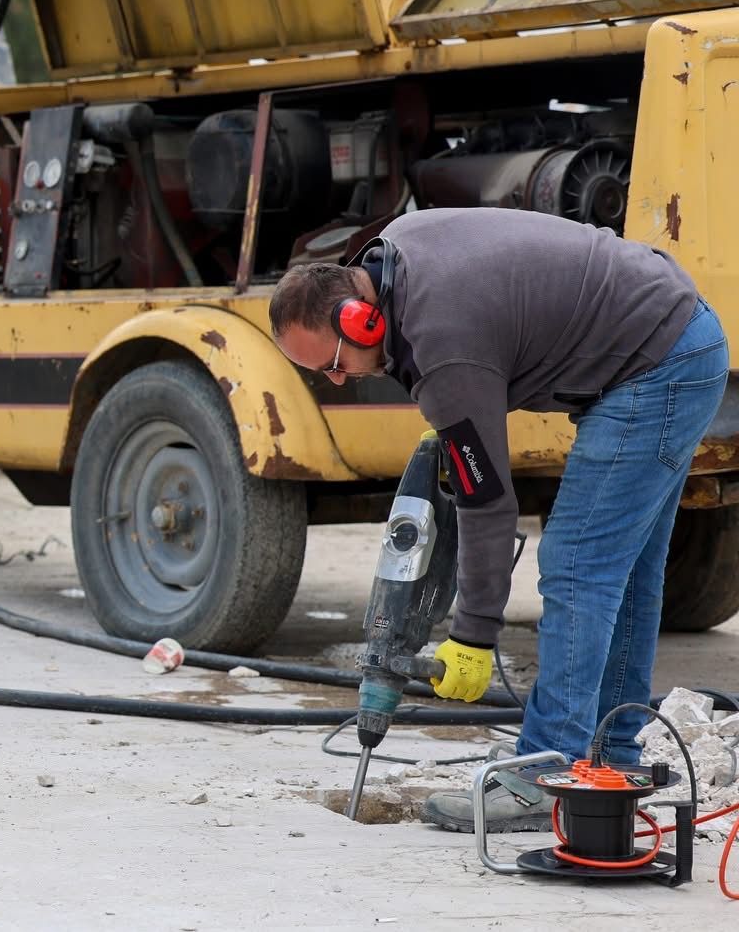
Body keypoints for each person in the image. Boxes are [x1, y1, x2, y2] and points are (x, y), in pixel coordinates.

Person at [269, 206, 726, 833]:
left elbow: (487, 501)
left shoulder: (442, 345)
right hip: (677, 337)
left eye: (334, 363)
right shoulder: (393, 253)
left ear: (361, 315)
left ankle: (548, 770)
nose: (338, 379)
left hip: (655, 366)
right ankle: (609, 757)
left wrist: (474, 635)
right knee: (626, 572)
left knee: (575, 563)